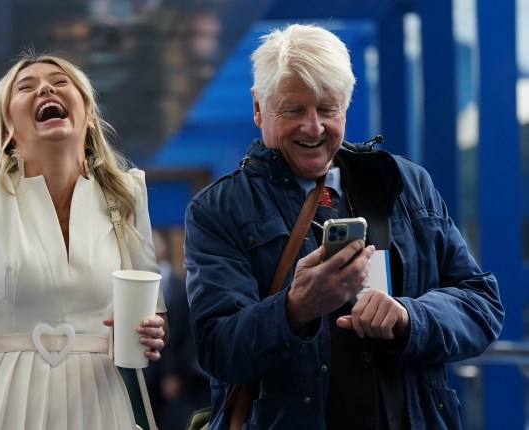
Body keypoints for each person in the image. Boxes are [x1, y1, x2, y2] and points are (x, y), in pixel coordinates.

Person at [183, 23, 504, 429]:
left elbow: (482, 306)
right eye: (293, 109)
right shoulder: (218, 210)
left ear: (346, 107)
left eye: (328, 108)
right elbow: (217, 349)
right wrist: (296, 307)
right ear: (258, 107)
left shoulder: (405, 183)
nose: (313, 127)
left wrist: (409, 318)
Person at [0, 52, 168, 430]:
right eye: (25, 87)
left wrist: (151, 331)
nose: (44, 88)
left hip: (101, 406)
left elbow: (151, 319)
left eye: (60, 82)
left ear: (88, 117)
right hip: (4, 403)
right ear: (6, 127)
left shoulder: (126, 195)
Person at [144, 230, 210, 429]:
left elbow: (184, 334)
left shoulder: (180, 284)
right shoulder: (136, 286)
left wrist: (173, 373)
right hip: (145, 369)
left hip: (177, 373)